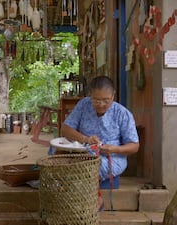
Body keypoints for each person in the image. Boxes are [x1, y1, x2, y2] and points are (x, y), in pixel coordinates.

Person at [60, 75, 140, 211]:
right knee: (57, 153)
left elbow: (134, 146)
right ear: (90, 96)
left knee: (91, 166)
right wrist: (85, 139)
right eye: (96, 100)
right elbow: (65, 129)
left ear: (113, 96)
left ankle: (96, 199)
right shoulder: (83, 105)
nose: (101, 104)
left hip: (112, 157)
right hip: (83, 150)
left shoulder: (122, 113)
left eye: (105, 100)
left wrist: (114, 149)